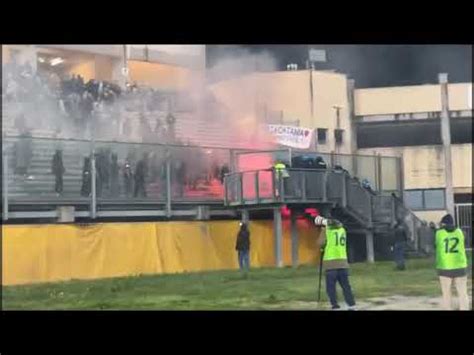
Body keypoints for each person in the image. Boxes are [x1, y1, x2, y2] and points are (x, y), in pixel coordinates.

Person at [315, 215, 356, 310]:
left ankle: (335, 306)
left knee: (331, 288)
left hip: (330, 264)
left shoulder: (327, 230)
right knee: (346, 286)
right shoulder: (342, 230)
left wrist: (323, 229)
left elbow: (320, 243)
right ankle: (351, 305)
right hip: (343, 262)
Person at [435, 214, 469, 310]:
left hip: (444, 266)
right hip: (460, 266)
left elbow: (436, 244)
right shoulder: (460, 232)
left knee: (446, 293)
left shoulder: (439, 233)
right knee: (462, 293)